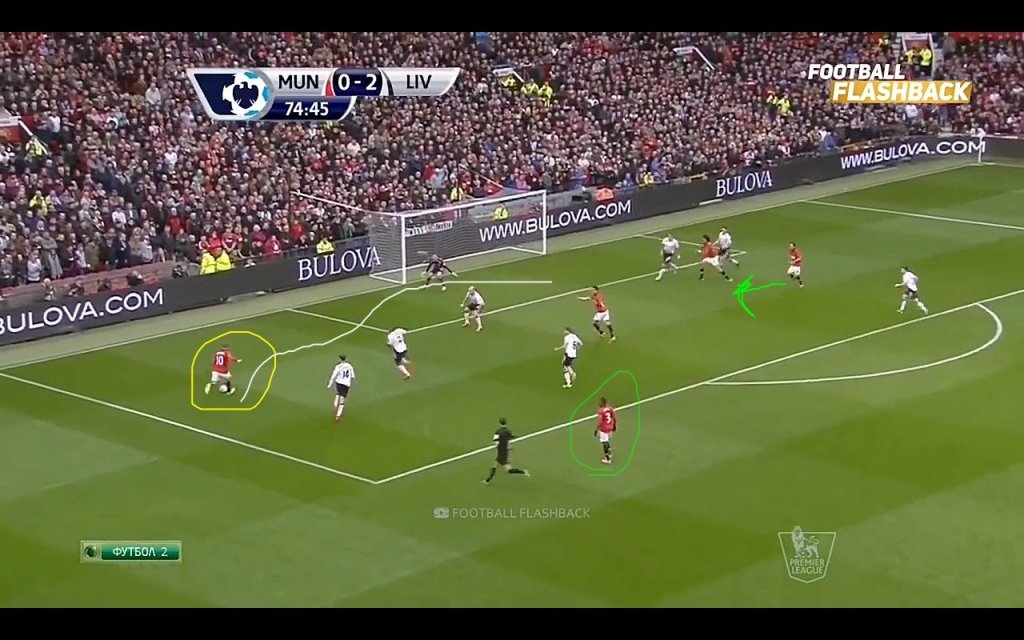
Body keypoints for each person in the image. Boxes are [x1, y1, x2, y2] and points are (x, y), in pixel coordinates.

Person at [482, 418, 529, 484]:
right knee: (502, 468)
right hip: (505, 452)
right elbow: (511, 437)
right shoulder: (508, 431)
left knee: (499, 468)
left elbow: (495, 440)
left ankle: (487, 481)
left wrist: (496, 444)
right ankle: (487, 480)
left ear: (499, 423)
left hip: (501, 453)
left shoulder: (498, 431)